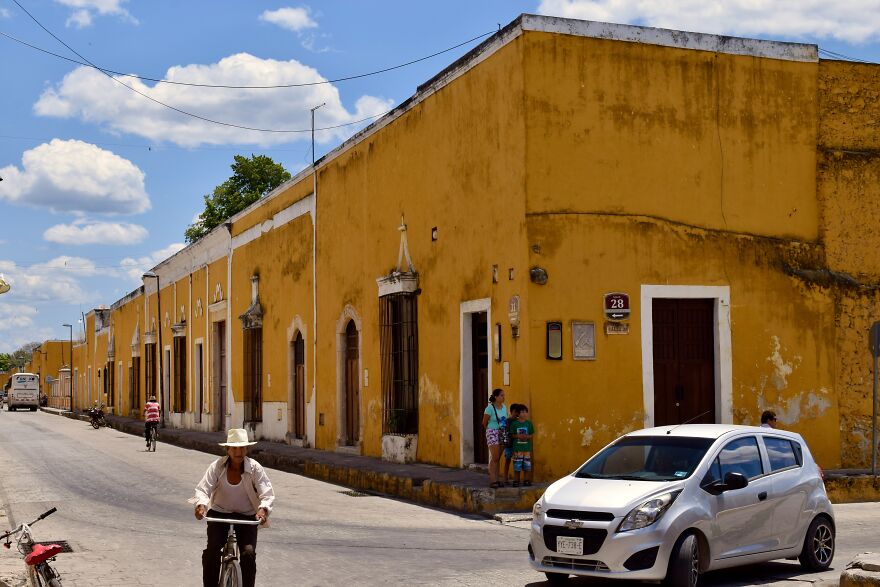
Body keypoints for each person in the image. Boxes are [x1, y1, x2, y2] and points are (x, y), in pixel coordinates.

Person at [191, 429, 275, 587]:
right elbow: (203, 489)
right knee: (212, 552)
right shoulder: (217, 467)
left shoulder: (255, 468)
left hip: (247, 517)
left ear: (247, 449)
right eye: (234, 448)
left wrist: (263, 510)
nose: (239, 452)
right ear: (227, 449)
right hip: (219, 514)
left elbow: (267, 493)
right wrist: (201, 505)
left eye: (242, 448)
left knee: (248, 554)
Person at [481, 389, 508, 489]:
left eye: (503, 395)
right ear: (496, 397)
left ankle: (496, 479)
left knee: (497, 458)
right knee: (495, 457)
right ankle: (493, 480)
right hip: (492, 432)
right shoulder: (489, 408)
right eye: (501, 395)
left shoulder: (504, 407)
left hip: (502, 432)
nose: (503, 397)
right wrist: (490, 431)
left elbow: (505, 419)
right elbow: (484, 422)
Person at [511, 404, 535, 487]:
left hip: (526, 449)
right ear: (518, 413)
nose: (524, 414)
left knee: (527, 465)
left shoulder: (529, 423)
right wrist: (518, 436)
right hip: (517, 449)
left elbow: (532, 434)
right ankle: (516, 480)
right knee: (517, 466)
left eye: (525, 412)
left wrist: (527, 436)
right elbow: (512, 434)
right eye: (522, 412)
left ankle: (526, 480)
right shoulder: (514, 424)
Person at [501, 404, 521, 486]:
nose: (517, 414)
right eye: (515, 412)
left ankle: (516, 479)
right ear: (511, 411)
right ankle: (505, 478)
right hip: (508, 444)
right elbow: (504, 432)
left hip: (516, 444)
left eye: (518, 412)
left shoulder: (518, 421)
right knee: (507, 460)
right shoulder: (507, 421)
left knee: (517, 461)